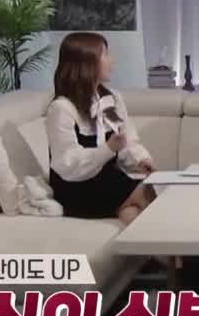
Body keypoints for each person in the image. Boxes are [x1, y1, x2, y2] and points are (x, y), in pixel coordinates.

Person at [46, 32, 158, 223]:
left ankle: (146, 243)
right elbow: (67, 164)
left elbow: (128, 140)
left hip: (107, 179)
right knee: (148, 193)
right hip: (76, 187)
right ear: (85, 63)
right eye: (105, 54)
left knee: (133, 211)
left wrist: (142, 159)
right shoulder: (62, 108)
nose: (112, 61)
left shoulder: (111, 98)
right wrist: (108, 149)